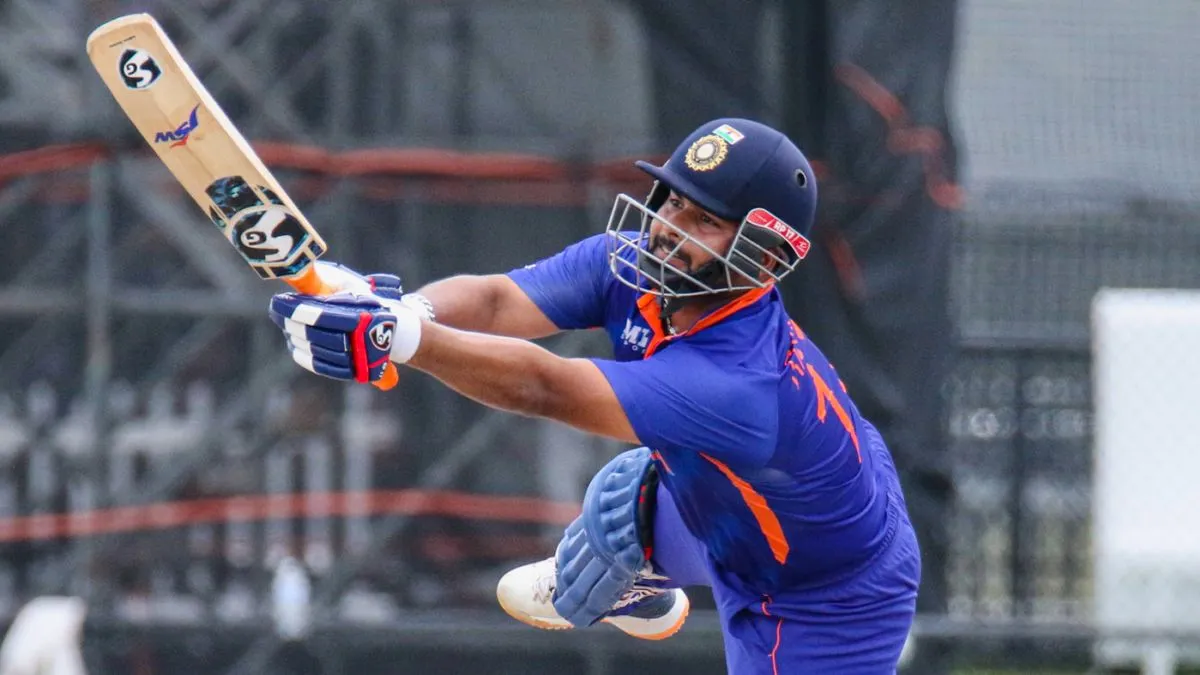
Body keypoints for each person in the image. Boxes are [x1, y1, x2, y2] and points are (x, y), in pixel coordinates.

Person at [267, 118, 921, 673]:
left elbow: (545, 385)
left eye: (703, 219)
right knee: (623, 500)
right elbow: (497, 300)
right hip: (778, 494)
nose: (668, 226)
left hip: (823, 594)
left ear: (767, 259)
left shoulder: (741, 385)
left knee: (664, 482)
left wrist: (400, 337)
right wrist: (405, 306)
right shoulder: (631, 265)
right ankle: (646, 589)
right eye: (671, 200)